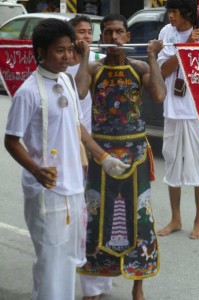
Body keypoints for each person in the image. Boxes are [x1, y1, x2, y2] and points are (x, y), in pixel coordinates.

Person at [4, 18, 130, 300]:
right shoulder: (28, 92)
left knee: (68, 260)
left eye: (70, 49)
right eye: (60, 50)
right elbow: (11, 140)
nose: (68, 57)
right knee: (52, 264)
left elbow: (77, 125)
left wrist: (103, 157)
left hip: (73, 188)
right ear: (40, 53)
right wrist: (36, 170)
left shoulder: (65, 80)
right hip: (47, 192)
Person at [75, 14, 166, 300]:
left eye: (119, 32)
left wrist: (153, 57)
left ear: (127, 37)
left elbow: (159, 95)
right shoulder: (93, 68)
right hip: (101, 156)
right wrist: (84, 56)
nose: (114, 38)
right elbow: (78, 91)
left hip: (135, 157)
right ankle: (94, 283)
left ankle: (138, 286)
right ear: (103, 38)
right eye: (109, 33)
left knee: (140, 218)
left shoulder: (139, 68)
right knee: (97, 216)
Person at [66, 15, 113, 297]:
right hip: (72, 146)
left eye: (88, 32)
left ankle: (99, 279)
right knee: (82, 216)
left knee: (97, 211)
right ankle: (86, 282)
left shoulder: (97, 59)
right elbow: (80, 89)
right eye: (80, 32)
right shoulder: (62, 64)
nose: (85, 36)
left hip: (95, 143)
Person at [156, 0, 199, 240]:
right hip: (172, 111)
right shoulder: (166, 33)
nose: (171, 16)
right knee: (172, 165)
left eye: (175, 12)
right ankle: (176, 219)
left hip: (197, 112)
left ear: (188, 13)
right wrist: (186, 47)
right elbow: (165, 70)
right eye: (169, 11)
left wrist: (196, 44)